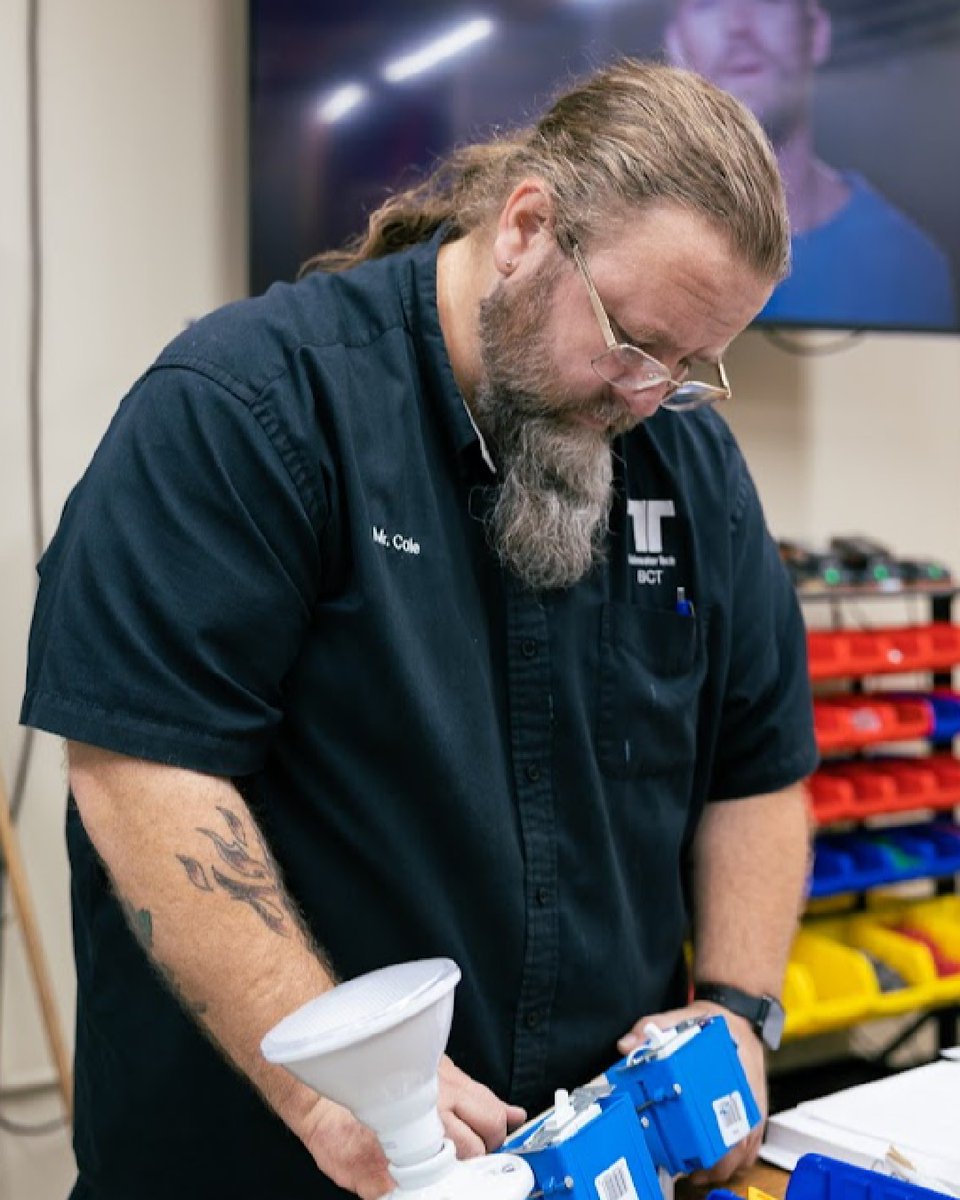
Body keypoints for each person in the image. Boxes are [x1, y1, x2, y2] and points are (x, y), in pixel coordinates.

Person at [21, 59, 817, 1200]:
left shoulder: (685, 465)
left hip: (591, 1165)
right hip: (271, 1162)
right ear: (527, 227)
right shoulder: (248, 408)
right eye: (636, 343)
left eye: (693, 368)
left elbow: (759, 763)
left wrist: (739, 1013)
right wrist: (323, 1081)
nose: (650, 395)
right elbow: (144, 776)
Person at [664, 0, 958, 329]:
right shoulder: (638, 258)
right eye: (708, 2)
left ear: (816, 32)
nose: (739, 24)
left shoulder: (911, 268)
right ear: (677, 48)